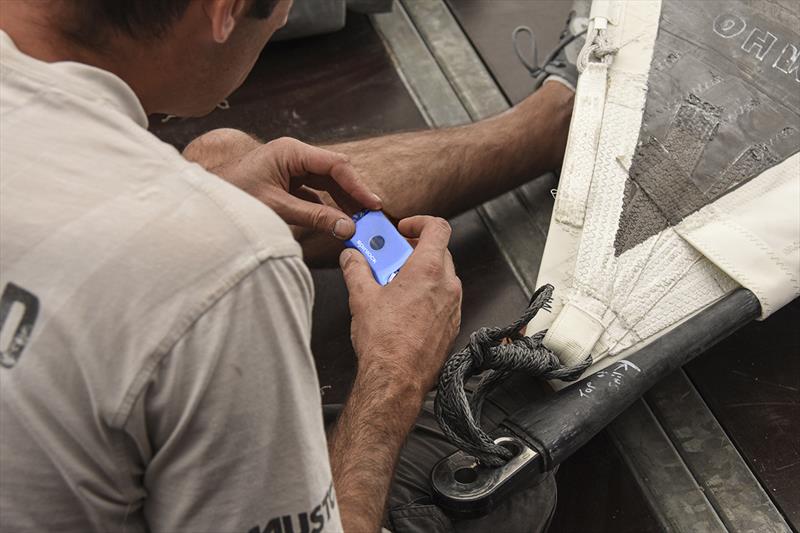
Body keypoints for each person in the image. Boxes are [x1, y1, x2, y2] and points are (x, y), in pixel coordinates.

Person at [0, 0, 578, 531]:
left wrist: (201, 196)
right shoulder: (230, 271)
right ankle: (556, 122)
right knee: (501, 479)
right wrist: (395, 371)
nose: (284, 18)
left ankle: (545, 125)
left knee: (216, 156)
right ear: (224, 10)